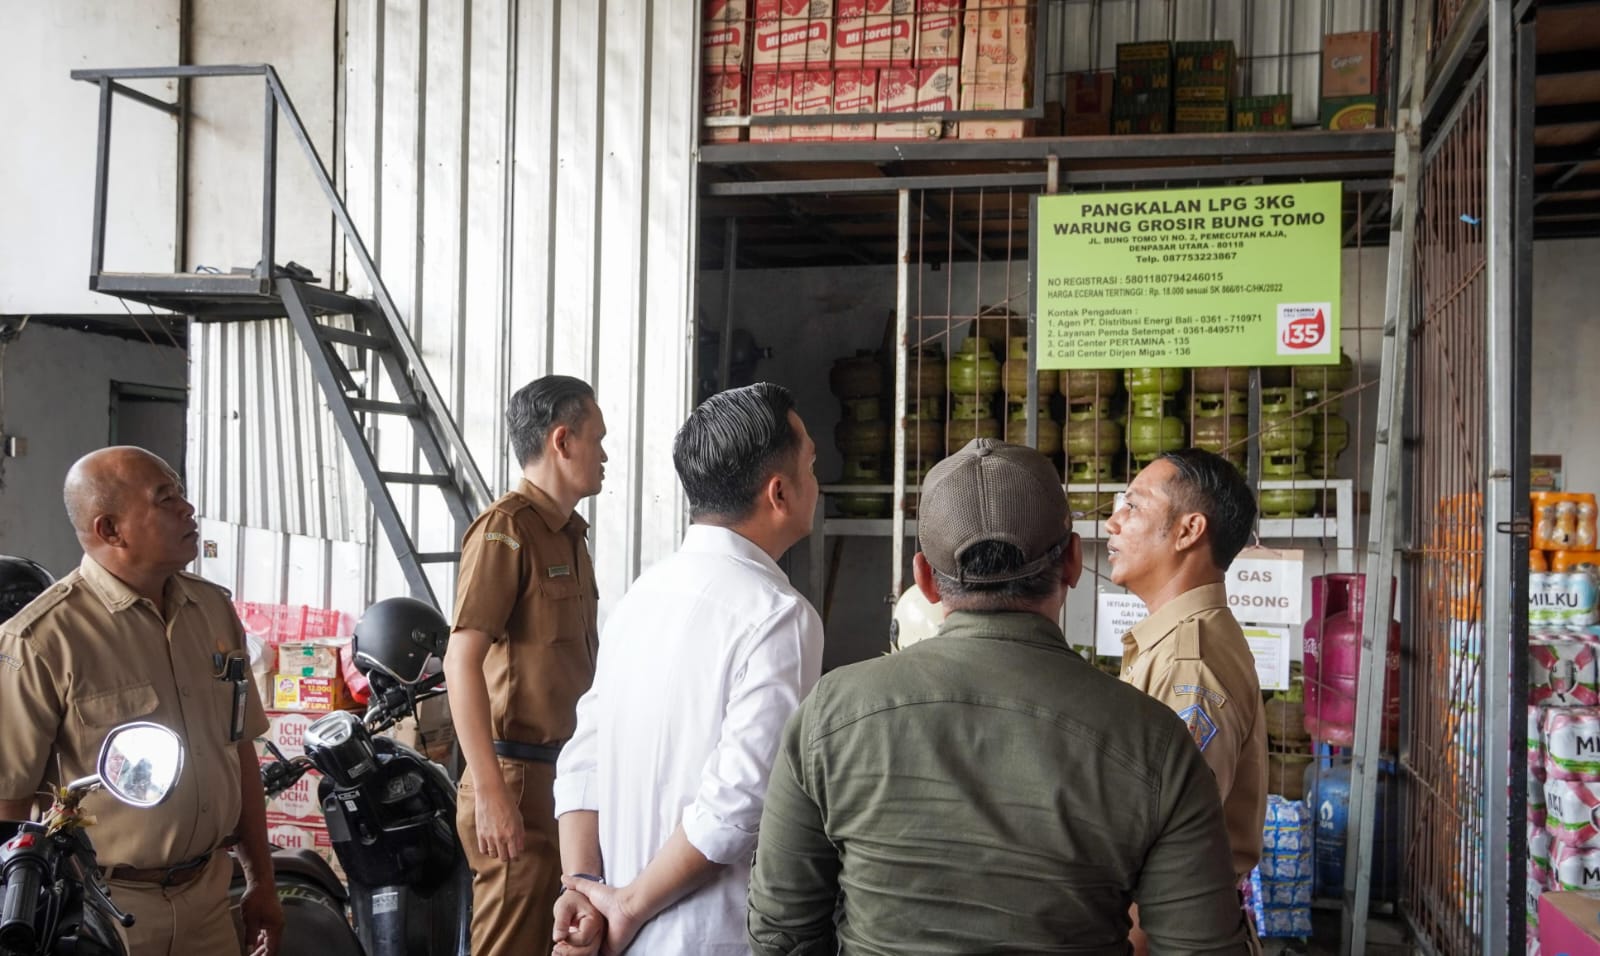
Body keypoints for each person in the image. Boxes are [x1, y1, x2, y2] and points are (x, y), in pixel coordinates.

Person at [747, 438, 1256, 955]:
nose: (1114, 522)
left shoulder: (829, 714)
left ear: (924, 579)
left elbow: (781, 933)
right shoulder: (1156, 740)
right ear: (1073, 562)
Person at [552, 382, 824, 956]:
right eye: (811, 466)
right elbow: (735, 808)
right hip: (705, 937)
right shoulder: (780, 616)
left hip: (619, 932)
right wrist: (624, 906)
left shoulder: (642, 595)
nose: (816, 483)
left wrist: (583, 889)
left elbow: (582, 760)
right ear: (779, 493)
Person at [0, 446, 282, 956]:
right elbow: (9, 802)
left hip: (208, 900)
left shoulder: (212, 610)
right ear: (110, 530)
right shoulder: (42, 640)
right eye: (165, 498)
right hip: (101, 911)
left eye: (181, 493)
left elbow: (239, 748)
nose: (187, 508)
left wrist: (261, 879)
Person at [443, 374, 607, 956]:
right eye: (597, 440)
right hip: (515, 780)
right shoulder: (506, 531)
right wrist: (490, 792)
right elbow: (460, 660)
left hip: (560, 780)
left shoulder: (568, 536)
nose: (605, 455)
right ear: (563, 441)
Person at [1107, 447, 1268, 888]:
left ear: (1188, 531)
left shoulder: (1189, 667)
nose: (1112, 523)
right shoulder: (1176, 641)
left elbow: (1172, 852)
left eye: (1133, 506)